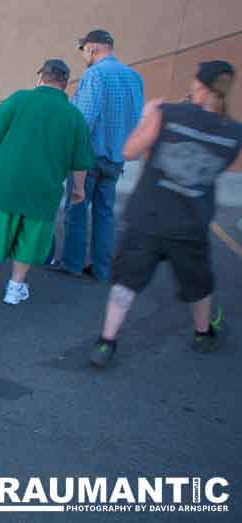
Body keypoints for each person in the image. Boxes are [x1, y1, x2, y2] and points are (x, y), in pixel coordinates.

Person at [88, 61, 241, 367]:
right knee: (198, 285)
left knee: (126, 284)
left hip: (148, 216)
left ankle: (106, 343)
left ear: (198, 84)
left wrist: (147, 117)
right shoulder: (234, 133)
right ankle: (202, 335)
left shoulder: (168, 113)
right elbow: (212, 170)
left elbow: (129, 151)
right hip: (191, 223)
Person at [0, 59, 95, 304]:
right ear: (65, 84)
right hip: (44, 192)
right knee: (30, 237)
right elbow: (79, 163)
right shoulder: (75, 117)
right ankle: (15, 288)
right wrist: (78, 190)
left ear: (41, 77)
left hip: (4, 184)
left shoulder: (19, 98)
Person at [52, 29, 143, 280]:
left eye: (83, 50)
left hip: (89, 156)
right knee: (105, 213)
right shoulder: (134, 77)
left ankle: (72, 263)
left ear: (92, 48)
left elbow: (83, 121)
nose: (83, 55)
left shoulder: (95, 75)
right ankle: (102, 268)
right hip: (116, 158)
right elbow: (137, 119)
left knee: (77, 208)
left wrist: (69, 153)